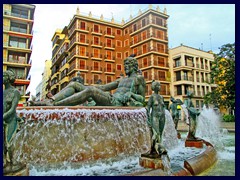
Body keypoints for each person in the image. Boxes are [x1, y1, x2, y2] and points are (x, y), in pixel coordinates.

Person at [30, 56, 146, 107]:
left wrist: (131, 94)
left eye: (127, 65)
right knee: (75, 84)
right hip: (110, 99)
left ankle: (54, 105)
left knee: (91, 91)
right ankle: (51, 100)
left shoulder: (138, 79)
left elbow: (142, 99)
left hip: (117, 103)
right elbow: (104, 88)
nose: (125, 67)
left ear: (134, 66)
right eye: (124, 65)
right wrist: (84, 86)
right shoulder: (121, 80)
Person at [3, 70, 24, 172]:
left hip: (10, 120)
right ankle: (5, 162)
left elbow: (12, 109)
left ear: (8, 78)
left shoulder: (15, 92)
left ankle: (12, 162)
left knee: (9, 143)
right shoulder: (2, 92)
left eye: (3, 76)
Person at [146, 80, 167, 156]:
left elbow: (163, 107)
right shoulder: (152, 97)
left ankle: (159, 147)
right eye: (158, 85)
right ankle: (154, 148)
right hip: (155, 116)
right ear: (154, 87)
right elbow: (147, 108)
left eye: (160, 85)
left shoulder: (161, 97)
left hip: (162, 117)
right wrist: (148, 119)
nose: (160, 87)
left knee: (161, 133)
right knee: (156, 133)